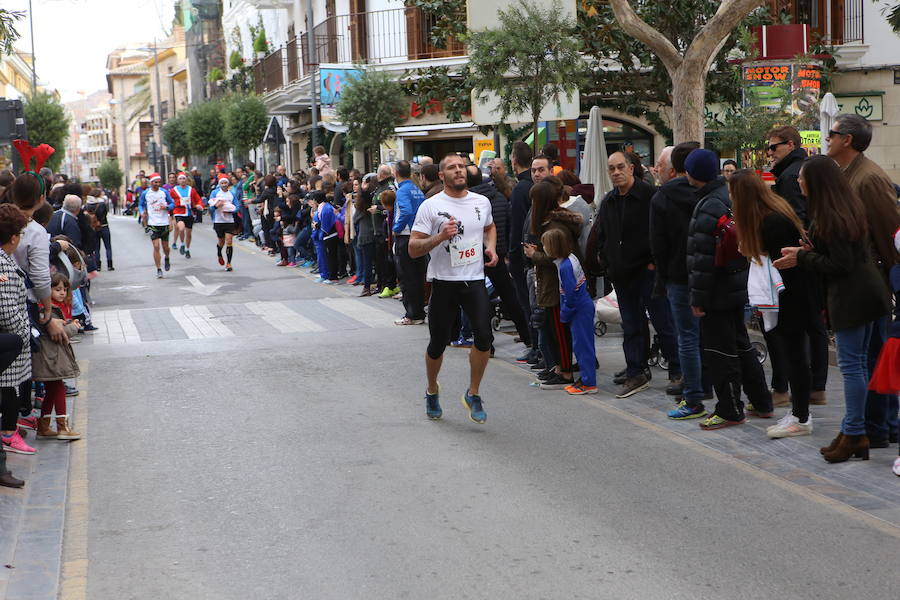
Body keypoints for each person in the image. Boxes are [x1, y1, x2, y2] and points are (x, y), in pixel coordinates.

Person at [774, 155, 892, 462]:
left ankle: (854, 432)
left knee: (852, 366)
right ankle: (854, 430)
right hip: (867, 292)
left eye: (802, 177)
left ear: (817, 182)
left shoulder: (832, 215)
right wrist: (806, 251)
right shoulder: (841, 207)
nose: (798, 181)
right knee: (859, 365)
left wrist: (802, 257)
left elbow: (840, 264)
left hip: (854, 296)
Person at [825, 114, 900, 450]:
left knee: (871, 357)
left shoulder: (868, 179)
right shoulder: (848, 175)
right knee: (870, 357)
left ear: (848, 140)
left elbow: (890, 232)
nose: (827, 138)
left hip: (873, 279)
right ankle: (878, 425)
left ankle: (879, 426)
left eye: (832, 133)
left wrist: (890, 279)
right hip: (865, 276)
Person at [685, 148, 771, 430]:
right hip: (735, 285)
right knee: (740, 344)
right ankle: (761, 400)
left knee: (720, 351)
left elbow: (702, 260)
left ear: (692, 173)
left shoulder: (709, 204)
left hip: (717, 291)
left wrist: (697, 298)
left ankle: (730, 408)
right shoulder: (725, 197)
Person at [731, 169, 821, 437]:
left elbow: (780, 262)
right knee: (793, 356)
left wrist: (753, 252)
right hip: (790, 294)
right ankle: (798, 414)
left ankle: (801, 418)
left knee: (795, 356)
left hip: (790, 295)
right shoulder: (772, 213)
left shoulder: (771, 222)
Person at [409, 154, 498, 424]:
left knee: (484, 338)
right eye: (452, 168)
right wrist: (440, 236)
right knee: (438, 344)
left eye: (461, 166)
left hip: (474, 280)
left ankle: (473, 393)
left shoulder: (481, 202)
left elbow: (489, 227)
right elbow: (413, 249)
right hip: (444, 283)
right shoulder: (430, 206)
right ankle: (432, 390)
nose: (459, 171)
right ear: (441, 176)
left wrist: (491, 247)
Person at [594, 151, 680, 398]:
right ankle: (636, 370)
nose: (616, 172)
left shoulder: (650, 196)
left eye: (620, 167)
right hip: (621, 275)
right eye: (612, 168)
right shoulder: (609, 200)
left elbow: (664, 232)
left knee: (663, 322)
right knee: (631, 325)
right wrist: (606, 260)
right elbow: (603, 235)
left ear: (631, 168)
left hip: (648, 272)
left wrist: (654, 263)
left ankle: (677, 370)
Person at [650, 142, 709, 419]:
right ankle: (712, 387)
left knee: (687, 337)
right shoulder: (711, 193)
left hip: (678, 275)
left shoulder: (662, 198)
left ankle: (694, 395)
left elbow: (658, 244)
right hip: (711, 273)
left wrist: (662, 274)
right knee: (713, 335)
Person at [524, 177, 583, 390]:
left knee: (559, 331)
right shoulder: (549, 223)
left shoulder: (555, 226)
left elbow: (559, 258)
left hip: (558, 286)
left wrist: (535, 255)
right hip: (550, 285)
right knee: (552, 328)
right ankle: (559, 367)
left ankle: (566, 372)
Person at [467, 164, 531, 347]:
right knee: (510, 297)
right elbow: (509, 227)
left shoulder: (470, 202)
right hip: (499, 253)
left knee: (479, 299)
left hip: (476, 254)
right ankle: (527, 338)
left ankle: (487, 342)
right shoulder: (501, 197)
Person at [542, 227, 597, 395]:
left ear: (553, 247)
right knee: (583, 345)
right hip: (583, 305)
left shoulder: (565, 267)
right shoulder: (570, 258)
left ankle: (589, 383)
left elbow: (570, 294)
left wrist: (564, 314)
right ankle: (587, 379)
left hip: (579, 308)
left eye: (545, 245)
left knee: (582, 346)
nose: (543, 248)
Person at [0, 203, 35, 463]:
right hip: (12, 337)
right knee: (8, 389)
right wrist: (24, 333)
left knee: (11, 388)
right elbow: (5, 307)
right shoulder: (2, 265)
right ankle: (9, 433)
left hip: (15, 337)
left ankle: (10, 430)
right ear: (12, 238)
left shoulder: (6, 259)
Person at [32, 273, 82, 440]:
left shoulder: (52, 308)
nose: (61, 293)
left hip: (50, 356)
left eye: (64, 289)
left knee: (52, 390)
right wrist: (74, 327)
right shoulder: (49, 310)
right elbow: (58, 334)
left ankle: (44, 426)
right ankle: (62, 426)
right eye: (57, 289)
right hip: (51, 356)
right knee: (58, 387)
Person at [392, 160, 428, 325]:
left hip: (406, 236)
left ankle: (411, 314)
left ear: (396, 173)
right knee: (418, 275)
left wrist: (396, 228)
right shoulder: (416, 189)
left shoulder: (402, 191)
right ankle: (418, 312)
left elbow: (405, 211)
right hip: (419, 235)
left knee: (407, 277)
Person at [767, 126, 808, 223]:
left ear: (790, 145)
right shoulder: (805, 166)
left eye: (773, 148)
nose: (770, 153)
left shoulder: (790, 176)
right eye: (768, 148)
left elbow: (796, 217)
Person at [138, 173, 174, 279]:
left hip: (164, 223)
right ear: (151, 182)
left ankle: (167, 257)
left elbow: (172, 204)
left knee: (165, 247)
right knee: (156, 246)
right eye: (155, 182)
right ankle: (159, 269)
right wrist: (141, 212)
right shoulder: (146, 193)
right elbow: (140, 204)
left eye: (159, 182)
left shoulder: (164, 192)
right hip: (152, 223)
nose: (157, 184)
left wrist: (167, 207)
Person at [169, 172, 204, 259]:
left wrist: (199, 205)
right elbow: (169, 201)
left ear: (186, 180)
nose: (182, 180)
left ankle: (187, 249)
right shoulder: (174, 190)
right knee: (181, 228)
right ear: (177, 180)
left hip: (189, 213)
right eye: (180, 179)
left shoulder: (191, 190)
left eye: (183, 178)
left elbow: (198, 199)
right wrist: (170, 213)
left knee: (188, 233)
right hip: (178, 212)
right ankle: (182, 244)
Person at [208, 175, 238, 271]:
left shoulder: (232, 194)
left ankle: (229, 263)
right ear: (219, 184)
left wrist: (231, 211)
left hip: (229, 221)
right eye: (222, 183)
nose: (224, 185)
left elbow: (237, 206)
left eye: (225, 183)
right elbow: (210, 208)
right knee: (221, 241)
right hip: (218, 221)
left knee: (229, 241)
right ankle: (219, 253)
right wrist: (217, 206)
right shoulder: (215, 193)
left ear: (228, 183)